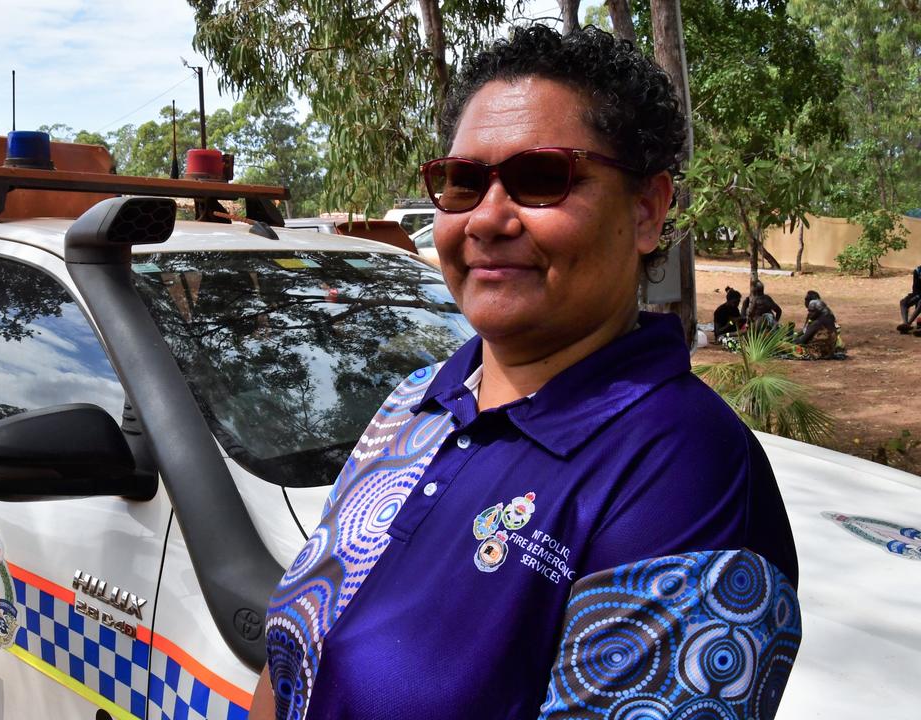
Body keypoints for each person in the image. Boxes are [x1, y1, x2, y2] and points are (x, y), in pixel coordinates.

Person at [255, 25, 800, 720]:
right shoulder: (417, 401)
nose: (487, 218)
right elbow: (293, 656)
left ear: (647, 211)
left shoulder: (688, 477)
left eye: (541, 178)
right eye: (462, 182)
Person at [795, 290, 839, 357]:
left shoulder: (817, 323)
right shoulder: (827, 316)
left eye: (812, 311)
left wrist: (791, 340)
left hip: (817, 351)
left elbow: (802, 340)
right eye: (809, 311)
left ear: (818, 311)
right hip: (829, 350)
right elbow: (805, 331)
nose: (810, 313)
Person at [899, 264, 921, 333]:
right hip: (918, 294)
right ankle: (906, 324)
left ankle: (908, 324)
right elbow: (915, 289)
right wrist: (917, 297)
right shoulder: (918, 271)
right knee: (903, 302)